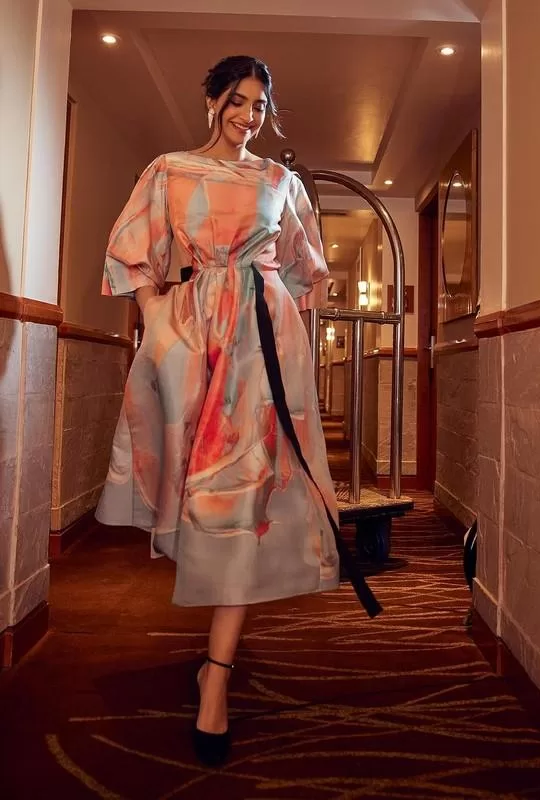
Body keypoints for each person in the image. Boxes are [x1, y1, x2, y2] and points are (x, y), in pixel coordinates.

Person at [95, 55, 379, 767]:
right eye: (238, 101)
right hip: (194, 336)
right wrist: (156, 314)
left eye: (259, 106)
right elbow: (134, 253)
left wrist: (283, 326)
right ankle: (212, 664)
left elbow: (304, 268)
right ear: (213, 100)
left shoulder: (280, 181)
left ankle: (216, 677)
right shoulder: (170, 170)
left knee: (245, 492)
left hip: (265, 342)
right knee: (198, 490)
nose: (249, 116)